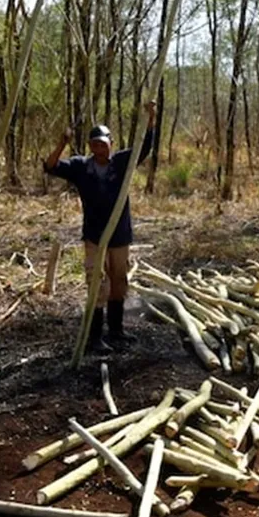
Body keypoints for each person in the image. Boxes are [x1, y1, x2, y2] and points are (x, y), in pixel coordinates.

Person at [43, 101, 158, 353]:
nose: (99, 149)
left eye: (103, 144)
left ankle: (116, 331)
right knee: (98, 285)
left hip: (120, 235)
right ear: (90, 146)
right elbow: (50, 166)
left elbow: (145, 147)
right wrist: (62, 142)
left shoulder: (121, 163)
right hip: (95, 237)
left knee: (119, 283)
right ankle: (95, 338)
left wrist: (151, 117)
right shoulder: (80, 167)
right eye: (94, 144)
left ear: (111, 144)